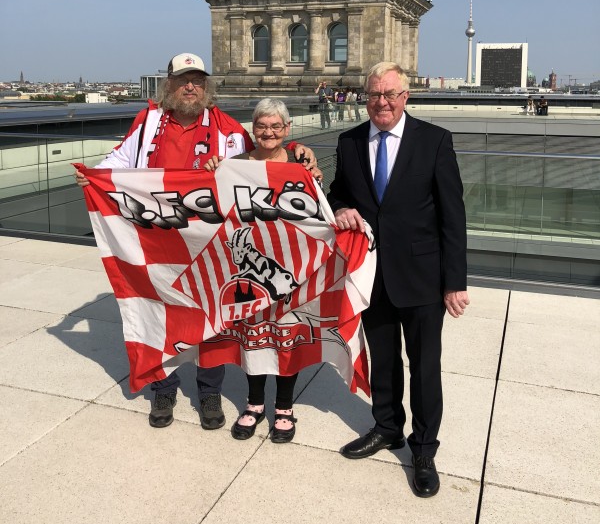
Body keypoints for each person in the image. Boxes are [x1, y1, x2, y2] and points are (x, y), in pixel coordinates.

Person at [75, 53, 317, 431]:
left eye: (198, 80)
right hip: (155, 235)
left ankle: (208, 391)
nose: (191, 86)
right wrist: (94, 176)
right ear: (169, 84)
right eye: (184, 79)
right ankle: (164, 389)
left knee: (211, 312)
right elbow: (119, 160)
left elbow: (263, 149)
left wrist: (299, 148)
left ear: (207, 87)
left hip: (207, 239)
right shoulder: (148, 122)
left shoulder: (226, 128)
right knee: (158, 311)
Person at [328, 61, 469, 498]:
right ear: (364, 97)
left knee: (425, 367)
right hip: (372, 275)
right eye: (374, 95)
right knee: (384, 361)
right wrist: (338, 209)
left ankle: (423, 449)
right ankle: (387, 427)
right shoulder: (350, 141)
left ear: (406, 97)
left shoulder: (434, 141)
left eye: (390, 94)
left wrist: (455, 281)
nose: (382, 102)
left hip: (424, 278)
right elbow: (338, 191)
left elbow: (453, 217)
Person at [206, 98, 321, 443]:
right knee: (253, 336)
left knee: (286, 335)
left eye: (275, 126)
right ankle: (254, 403)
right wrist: (213, 170)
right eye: (261, 126)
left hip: (291, 264)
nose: (268, 132)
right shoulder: (235, 164)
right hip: (249, 267)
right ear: (252, 129)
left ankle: (283, 407)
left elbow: (318, 212)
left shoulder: (302, 163)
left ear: (287, 130)